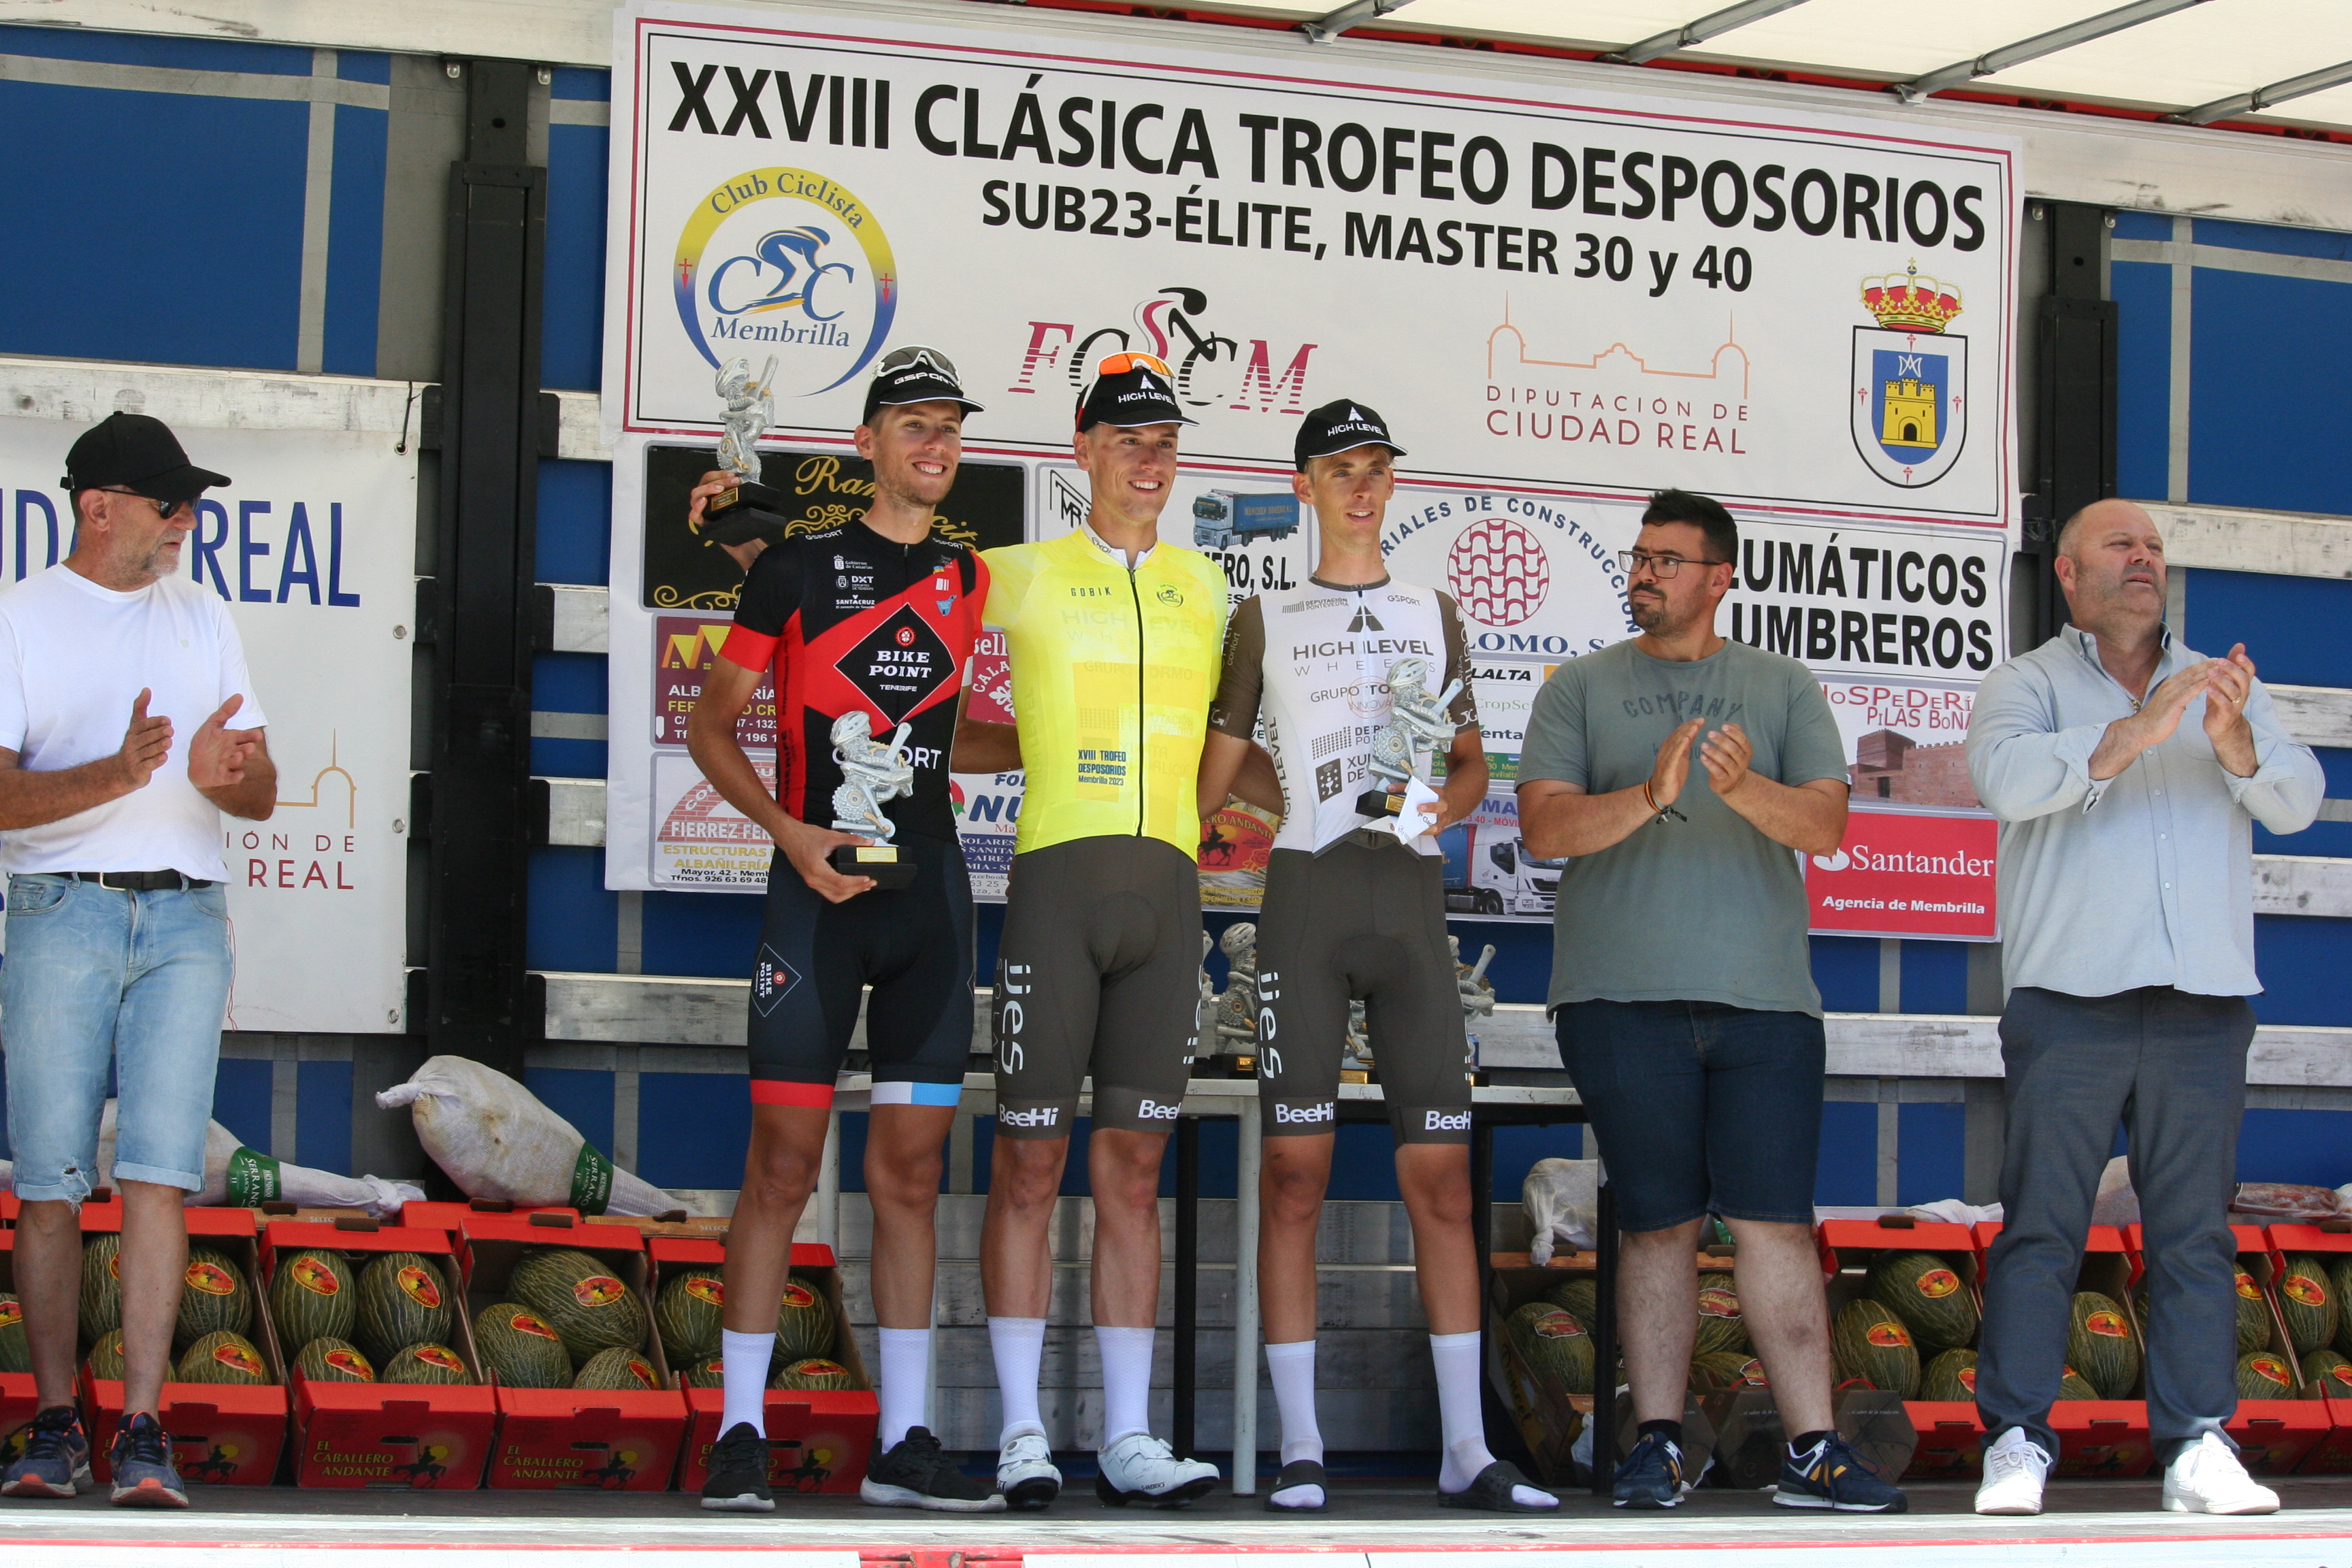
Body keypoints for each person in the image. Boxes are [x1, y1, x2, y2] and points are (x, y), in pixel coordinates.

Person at [1196, 402, 1557, 1515]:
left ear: (1393, 483)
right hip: (1305, 901)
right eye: (1339, 469)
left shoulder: (1432, 611)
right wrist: (1291, 800)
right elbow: (1220, 758)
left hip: (1407, 906)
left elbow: (1469, 760)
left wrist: (1437, 811)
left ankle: (1466, 1451)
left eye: (1376, 469)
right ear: (1302, 486)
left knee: (1439, 1177)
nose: (1361, 487)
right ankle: (1302, 1446)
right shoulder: (1262, 615)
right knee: (1294, 1174)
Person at [1517, 489, 1907, 1515]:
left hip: (1764, 1003)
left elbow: (1826, 826)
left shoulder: (1781, 686)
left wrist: (1742, 791)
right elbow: (1545, 831)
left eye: (1667, 560)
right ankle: (1656, 1445)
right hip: (1619, 999)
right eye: (1639, 557)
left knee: (1776, 1224)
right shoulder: (1581, 688)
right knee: (1657, 1225)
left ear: (1719, 577)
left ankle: (1813, 1451)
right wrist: (1651, 795)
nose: (1644, 574)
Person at [685, 348, 1017, 1516]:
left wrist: (1065, 743)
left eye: (950, 426)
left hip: (929, 902)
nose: (937, 444)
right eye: (915, 424)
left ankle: (904, 1441)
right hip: (815, 898)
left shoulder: (970, 578)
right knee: (781, 1167)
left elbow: (947, 730)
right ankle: (738, 1432)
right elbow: (713, 725)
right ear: (867, 441)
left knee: (912, 1177)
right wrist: (789, 834)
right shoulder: (793, 571)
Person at [1965, 499, 2321, 1518]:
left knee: (2195, 1236)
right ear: (2069, 574)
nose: (2144, 561)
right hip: (2069, 1002)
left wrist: (2233, 738)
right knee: (2042, 1228)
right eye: (2121, 546)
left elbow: (2298, 799)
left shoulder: (2222, 683)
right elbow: (2005, 781)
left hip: (2202, 1005)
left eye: (2155, 549)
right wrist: (2140, 729)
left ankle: (2199, 1442)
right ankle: (2018, 1440)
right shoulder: (2027, 684)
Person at [0, 413, 276, 1508]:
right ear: (97, 506)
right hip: (61, 910)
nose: (185, 523)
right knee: (51, 1182)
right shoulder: (22, 617)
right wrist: (114, 776)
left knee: (162, 1175)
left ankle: (145, 1429)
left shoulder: (203, 613)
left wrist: (226, 780)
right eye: (169, 504)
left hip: (186, 918)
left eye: (192, 506)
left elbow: (263, 788)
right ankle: (56, 1419)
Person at [979, 353, 1230, 1509]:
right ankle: (1022, 1433)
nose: (1149, 459)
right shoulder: (1020, 574)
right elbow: (876, 604)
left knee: (1133, 1171)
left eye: (1165, 441)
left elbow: (1238, 738)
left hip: (1167, 898)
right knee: (1030, 1161)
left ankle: (1128, 1438)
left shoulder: (1208, 587)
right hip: (1056, 889)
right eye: (1128, 439)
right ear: (1081, 450)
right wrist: (748, 539)